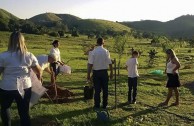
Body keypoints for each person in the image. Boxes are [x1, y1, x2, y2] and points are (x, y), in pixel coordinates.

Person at [0, 31, 42, 126]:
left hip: (7, 86)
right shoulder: (29, 55)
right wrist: (39, 78)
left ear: (10, 41)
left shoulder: (3, 56)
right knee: (24, 112)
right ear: (23, 41)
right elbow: (39, 71)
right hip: (24, 86)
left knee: (5, 108)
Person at [87, 38, 113, 109]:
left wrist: (88, 75)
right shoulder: (106, 51)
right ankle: (105, 105)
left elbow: (90, 64)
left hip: (96, 73)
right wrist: (111, 73)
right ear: (103, 43)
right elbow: (110, 63)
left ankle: (97, 105)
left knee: (97, 90)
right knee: (105, 89)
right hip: (104, 73)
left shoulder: (93, 52)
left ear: (97, 43)